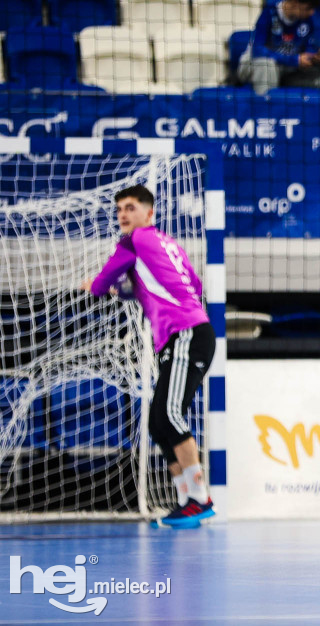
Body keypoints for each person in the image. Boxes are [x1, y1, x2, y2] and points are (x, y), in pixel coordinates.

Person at [80, 185, 216, 529]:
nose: (123, 214)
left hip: (186, 334)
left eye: (130, 207)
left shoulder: (133, 241)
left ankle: (201, 499)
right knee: (158, 423)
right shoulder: (169, 244)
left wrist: (97, 284)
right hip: (184, 335)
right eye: (119, 209)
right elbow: (195, 286)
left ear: (148, 213)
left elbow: (103, 284)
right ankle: (186, 500)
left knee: (169, 415)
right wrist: (133, 287)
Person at [239, 0, 320, 95]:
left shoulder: (307, 21)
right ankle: (266, 109)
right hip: (255, 67)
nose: (312, 12)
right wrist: (294, 60)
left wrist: (314, 57)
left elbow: (306, 48)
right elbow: (258, 51)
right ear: (295, 3)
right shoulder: (268, 15)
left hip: (288, 70)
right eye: (308, 8)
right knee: (266, 66)